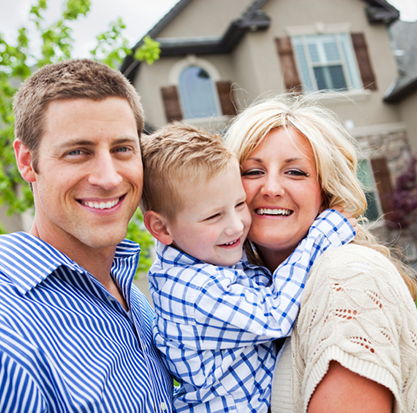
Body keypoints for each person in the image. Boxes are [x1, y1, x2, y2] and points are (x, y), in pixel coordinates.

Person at [0, 59, 173, 412]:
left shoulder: (138, 304)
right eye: (77, 152)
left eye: (122, 149)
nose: (109, 177)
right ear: (27, 161)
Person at [224, 95, 417, 413]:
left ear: (326, 192)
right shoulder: (259, 293)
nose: (271, 188)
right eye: (252, 171)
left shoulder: (346, 278)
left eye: (295, 172)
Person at [139, 123, 356, 412]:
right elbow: (274, 316)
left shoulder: (204, 256)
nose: (236, 225)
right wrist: (322, 235)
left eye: (240, 203)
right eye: (213, 216)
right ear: (160, 228)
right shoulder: (194, 287)